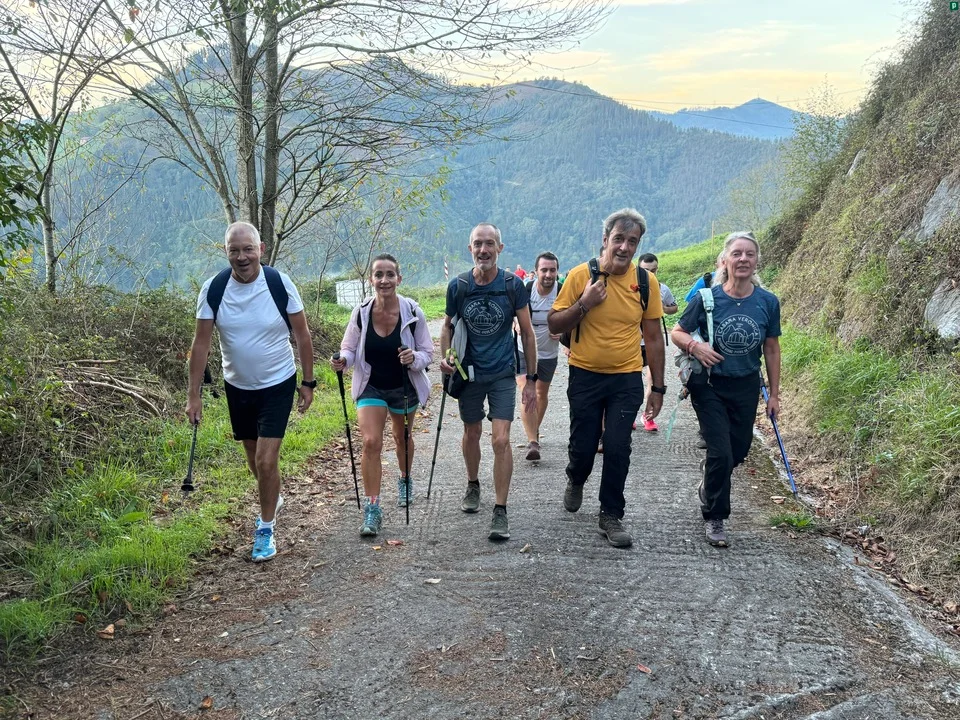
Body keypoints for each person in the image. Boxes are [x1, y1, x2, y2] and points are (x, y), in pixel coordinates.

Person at [186, 222, 315, 563]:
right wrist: (193, 395)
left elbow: (302, 335)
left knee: (265, 460)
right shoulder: (214, 289)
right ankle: (272, 493)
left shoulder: (279, 283)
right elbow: (200, 345)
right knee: (253, 457)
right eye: (234, 250)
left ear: (261, 249)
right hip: (237, 386)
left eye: (248, 249)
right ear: (226, 251)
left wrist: (308, 382)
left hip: (278, 382)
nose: (242, 257)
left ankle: (266, 528)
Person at [548, 209, 665, 548]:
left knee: (617, 445)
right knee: (584, 447)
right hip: (584, 375)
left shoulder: (645, 283)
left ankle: (610, 514)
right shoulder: (580, 276)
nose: (625, 247)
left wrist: (657, 387)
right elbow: (554, 324)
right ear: (605, 239)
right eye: (619, 239)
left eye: (632, 241)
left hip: (626, 378)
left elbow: (653, 337)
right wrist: (584, 304)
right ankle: (576, 477)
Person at [670, 231, 781, 548]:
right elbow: (677, 332)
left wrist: (774, 394)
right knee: (720, 451)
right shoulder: (707, 298)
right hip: (710, 385)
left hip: (746, 385)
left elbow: (771, 348)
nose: (743, 259)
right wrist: (695, 347)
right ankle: (715, 515)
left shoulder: (767, 302)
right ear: (725, 260)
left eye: (749, 254)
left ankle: (711, 477)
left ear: (757, 260)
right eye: (737, 253)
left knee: (738, 450)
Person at [440, 223, 537, 541]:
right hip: (468, 374)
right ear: (470, 249)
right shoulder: (458, 286)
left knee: (500, 440)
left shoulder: (512, 285)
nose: (484, 250)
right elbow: (447, 327)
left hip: (502, 374)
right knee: (472, 432)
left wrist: (531, 379)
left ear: (500, 248)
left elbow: (527, 333)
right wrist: (446, 358)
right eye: (478, 244)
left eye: (490, 243)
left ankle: (500, 509)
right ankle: (473, 484)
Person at [331, 254, 434, 537]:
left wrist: (414, 358)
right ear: (371, 279)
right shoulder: (361, 313)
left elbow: (428, 352)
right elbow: (349, 348)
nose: (384, 280)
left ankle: (405, 478)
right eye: (379, 274)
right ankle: (373, 508)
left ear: (399, 279)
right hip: (371, 385)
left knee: (402, 437)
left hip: (404, 385)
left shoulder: (413, 311)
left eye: (390, 275)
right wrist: (343, 360)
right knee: (371, 442)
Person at [515, 252, 563, 462]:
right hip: (523, 350)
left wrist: (564, 330)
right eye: (544, 270)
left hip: (548, 353)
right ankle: (533, 441)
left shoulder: (562, 291)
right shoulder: (526, 290)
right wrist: (515, 324)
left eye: (552, 270)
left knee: (541, 393)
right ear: (536, 271)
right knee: (527, 391)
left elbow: (574, 318)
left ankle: (533, 429)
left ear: (557, 271)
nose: (548, 274)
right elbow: (512, 313)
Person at [636, 253, 678, 432]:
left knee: (652, 380)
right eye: (646, 270)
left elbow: (674, 307)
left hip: (652, 342)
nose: (650, 274)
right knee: (632, 382)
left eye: (653, 270)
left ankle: (648, 417)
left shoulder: (662, 288)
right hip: (632, 343)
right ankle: (629, 415)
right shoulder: (630, 287)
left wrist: (662, 308)